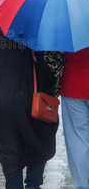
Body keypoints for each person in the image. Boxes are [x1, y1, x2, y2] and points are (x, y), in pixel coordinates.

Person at [0, 28, 63, 189]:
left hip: (1, 104)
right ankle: (33, 184)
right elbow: (52, 74)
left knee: (9, 150)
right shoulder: (44, 38)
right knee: (38, 143)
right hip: (34, 104)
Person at [61, 48, 89, 189]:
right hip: (74, 85)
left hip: (74, 83)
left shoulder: (70, 25)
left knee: (78, 141)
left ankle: (83, 186)